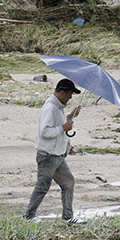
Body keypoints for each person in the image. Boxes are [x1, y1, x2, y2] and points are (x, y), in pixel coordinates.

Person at [24, 78, 82, 223]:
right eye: (69, 94)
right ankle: (29, 216)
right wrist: (63, 128)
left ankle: (68, 218)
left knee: (68, 183)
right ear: (62, 93)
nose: (70, 98)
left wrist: (70, 115)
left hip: (58, 156)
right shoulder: (50, 107)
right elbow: (44, 132)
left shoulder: (58, 107)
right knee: (42, 187)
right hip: (48, 156)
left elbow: (58, 122)